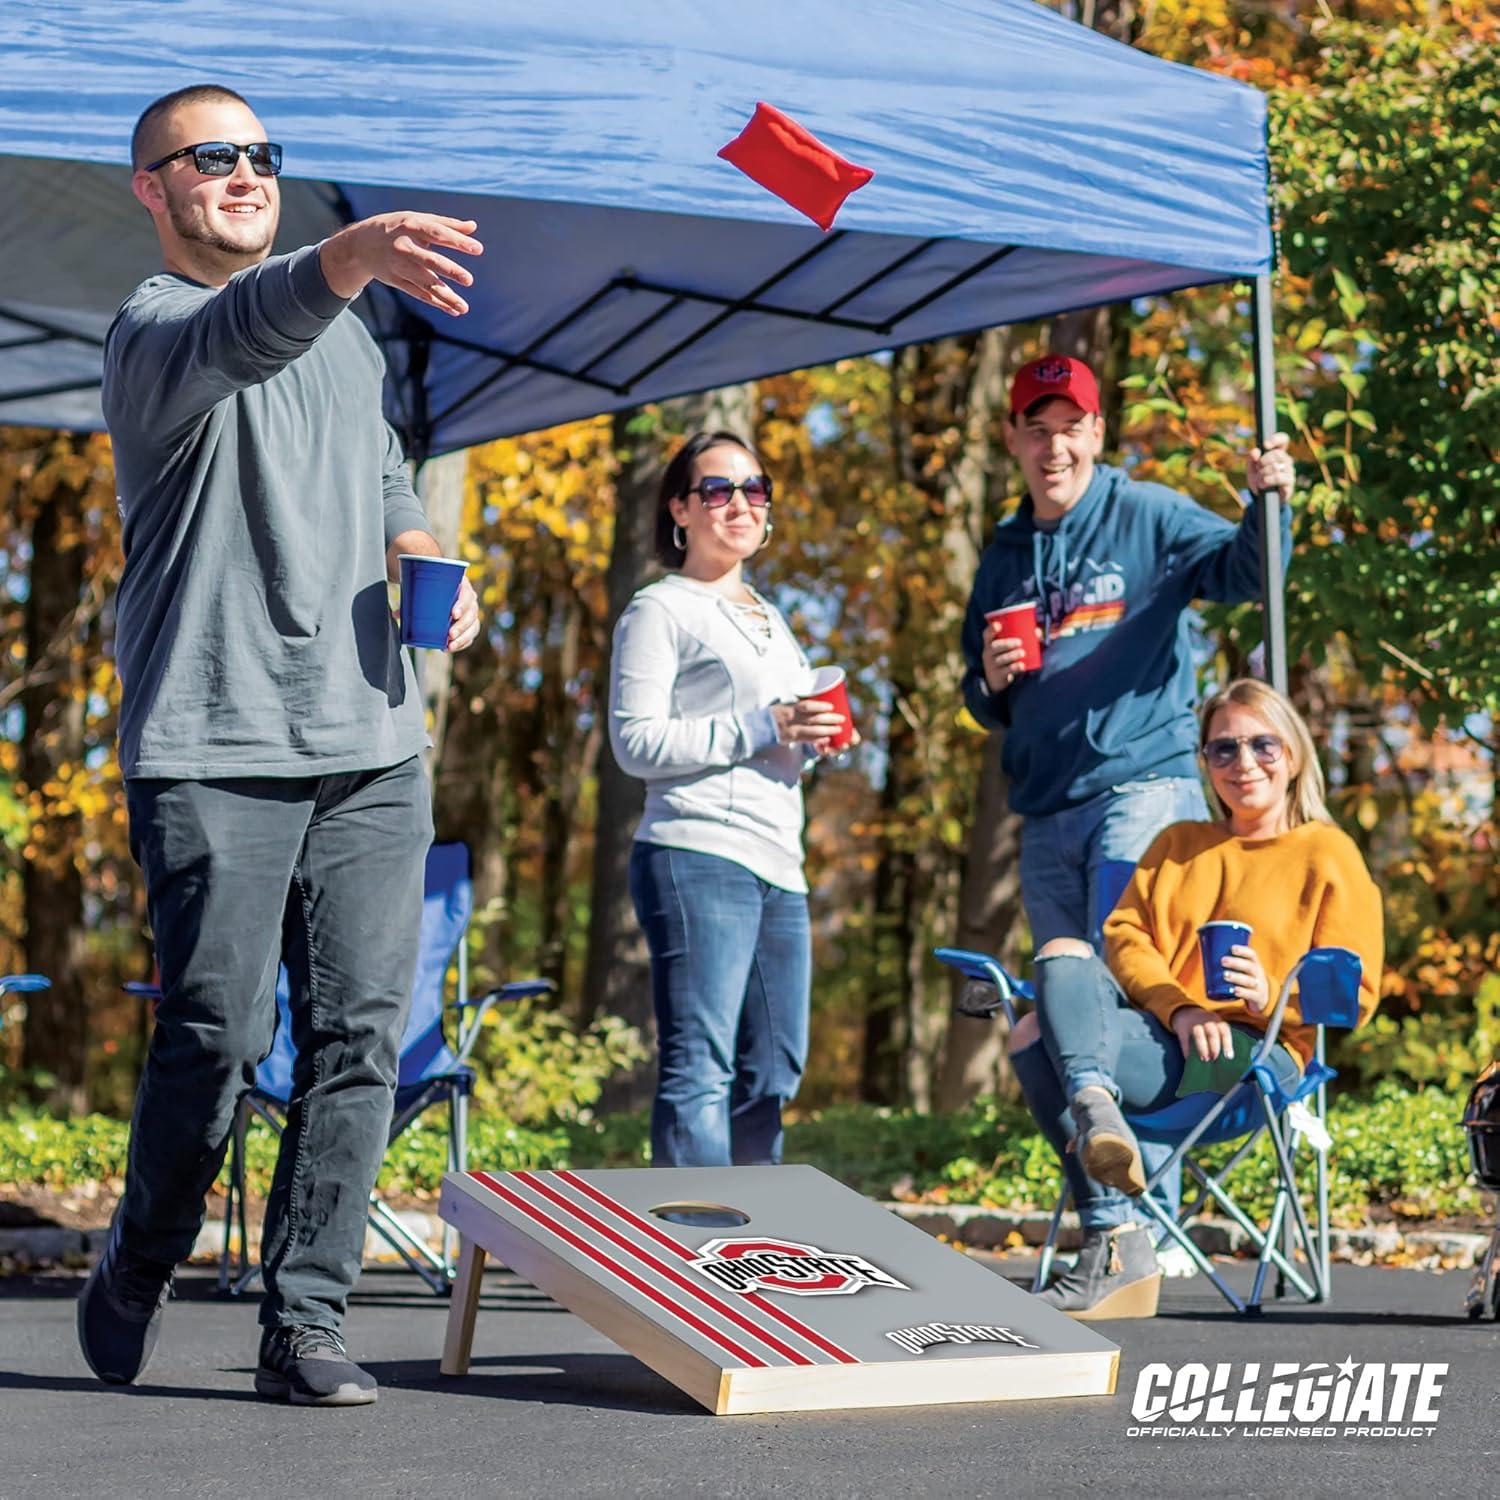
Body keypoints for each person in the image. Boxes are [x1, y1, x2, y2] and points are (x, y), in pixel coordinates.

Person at [77, 84, 483, 1406]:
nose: (247, 172)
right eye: (214, 157)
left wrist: (432, 563)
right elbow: (247, 332)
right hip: (212, 739)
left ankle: (303, 1322)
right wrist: (348, 258)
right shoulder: (155, 330)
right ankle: (139, 1255)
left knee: (362, 1033)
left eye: (263, 156)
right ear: (156, 188)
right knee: (215, 1032)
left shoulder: (352, 347)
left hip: (370, 736)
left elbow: (383, 491)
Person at [960, 353, 1297, 1250]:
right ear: (1014, 442)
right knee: (1049, 1010)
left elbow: (1243, 574)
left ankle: (1145, 1198)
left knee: (1114, 979)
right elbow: (978, 690)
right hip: (1043, 809)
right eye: (1036, 428)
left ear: (1097, 434)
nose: (1053, 445)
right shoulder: (1003, 555)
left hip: (1143, 788)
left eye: (1070, 426)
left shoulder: (1145, 514)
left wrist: (1269, 501)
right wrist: (988, 683)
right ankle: (1121, 1224)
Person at [1006, 679, 1383, 1319]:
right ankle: (1109, 1190)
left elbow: (1356, 991)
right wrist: (1181, 1007)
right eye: (1222, 750)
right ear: (1204, 763)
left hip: (1254, 1061)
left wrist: (1272, 998)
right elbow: (1124, 938)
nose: (1243, 763)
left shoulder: (1327, 851)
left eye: (1261, 744)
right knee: (1060, 963)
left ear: (1291, 753)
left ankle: (1110, 1240)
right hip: (1168, 1039)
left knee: (1042, 1042)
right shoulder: (1179, 845)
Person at [608, 431, 846, 1168]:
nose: (739, 503)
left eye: (755, 488)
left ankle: (748, 1257)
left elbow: (774, 747)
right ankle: (688, 1265)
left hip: (780, 863)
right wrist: (765, 722)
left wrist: (814, 741)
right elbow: (635, 744)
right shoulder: (660, 609)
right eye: (717, 489)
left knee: (772, 1071)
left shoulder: (771, 620)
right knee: (700, 1069)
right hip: (696, 850)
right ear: (681, 508)